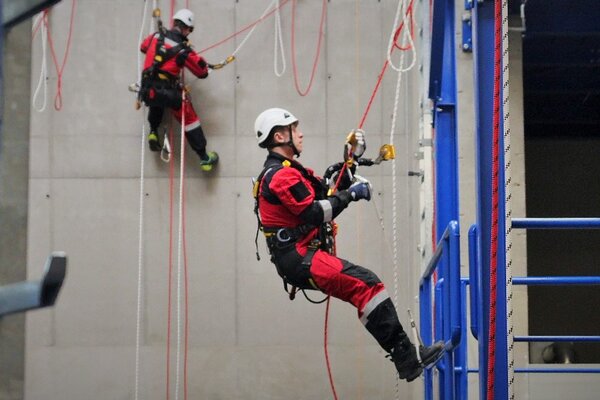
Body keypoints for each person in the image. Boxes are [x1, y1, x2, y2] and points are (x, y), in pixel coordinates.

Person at [252, 108, 445, 381]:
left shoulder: (292, 171)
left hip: (302, 253)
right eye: (295, 129)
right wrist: (351, 195)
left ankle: (406, 358)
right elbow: (316, 212)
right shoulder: (280, 176)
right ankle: (406, 357)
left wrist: (350, 162)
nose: (301, 133)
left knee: (365, 286)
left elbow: (327, 193)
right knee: (365, 285)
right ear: (280, 136)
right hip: (297, 256)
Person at [139, 8, 219, 171]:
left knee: (156, 100)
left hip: (147, 90)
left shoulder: (155, 36)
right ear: (186, 28)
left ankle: (153, 130)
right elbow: (201, 72)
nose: (189, 33)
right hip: (169, 93)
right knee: (190, 120)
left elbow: (143, 47)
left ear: (174, 23)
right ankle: (204, 158)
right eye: (190, 30)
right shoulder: (183, 50)